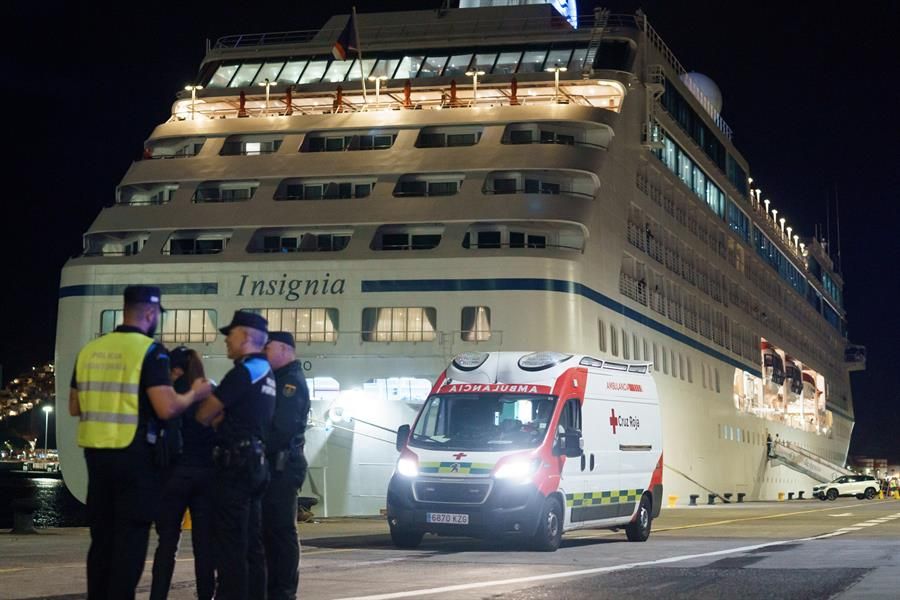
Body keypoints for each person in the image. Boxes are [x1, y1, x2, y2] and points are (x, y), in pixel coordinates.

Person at [68, 285, 211, 600]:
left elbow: (74, 406)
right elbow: (165, 407)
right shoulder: (150, 351)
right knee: (130, 542)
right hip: (134, 459)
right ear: (151, 312)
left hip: (95, 457)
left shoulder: (89, 350)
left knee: (102, 541)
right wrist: (194, 394)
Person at [196, 311, 276, 600]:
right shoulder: (267, 372)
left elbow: (205, 414)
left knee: (231, 544)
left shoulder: (244, 372)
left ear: (244, 336)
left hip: (236, 466)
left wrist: (201, 398)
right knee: (253, 544)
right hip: (257, 463)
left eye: (230, 334)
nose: (226, 341)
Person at [150, 347, 216, 600]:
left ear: (175, 369)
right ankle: (206, 595)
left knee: (166, 544)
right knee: (204, 545)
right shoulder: (209, 392)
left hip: (173, 475)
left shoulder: (167, 394)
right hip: (205, 475)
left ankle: (158, 596)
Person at [262, 332, 311, 600]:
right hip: (276, 466)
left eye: (267, 348)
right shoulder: (280, 379)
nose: (263, 353)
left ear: (283, 349)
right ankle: (275, 587)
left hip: (282, 466)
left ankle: (283, 590)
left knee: (281, 531)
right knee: (271, 531)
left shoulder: (289, 383)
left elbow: (281, 429)